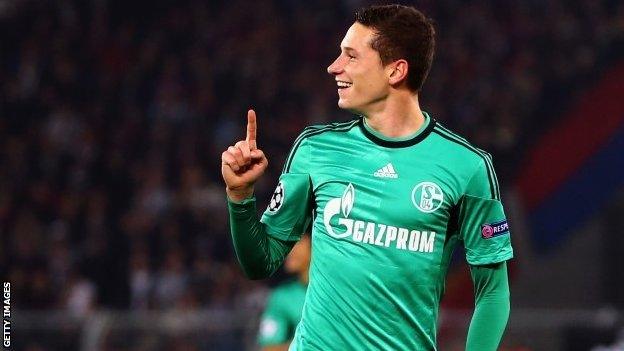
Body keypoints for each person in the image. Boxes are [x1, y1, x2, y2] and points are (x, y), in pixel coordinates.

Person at [222, 4, 512, 350]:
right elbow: (261, 261)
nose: (334, 67)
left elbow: (493, 291)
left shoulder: (467, 168)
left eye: (351, 56)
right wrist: (240, 197)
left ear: (395, 71)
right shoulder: (316, 150)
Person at [257, 234, 310, 351]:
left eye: (296, 241)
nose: (287, 249)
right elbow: (268, 348)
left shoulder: (338, 291)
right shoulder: (282, 296)